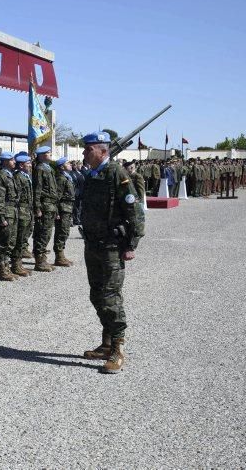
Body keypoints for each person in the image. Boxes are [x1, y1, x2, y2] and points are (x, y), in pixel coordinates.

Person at [80, 132, 144, 374]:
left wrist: (131, 245)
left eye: (89, 150)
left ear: (103, 151)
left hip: (111, 246)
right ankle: (106, 344)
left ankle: (118, 349)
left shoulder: (117, 173)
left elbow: (134, 210)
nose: (85, 154)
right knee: (97, 294)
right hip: (93, 244)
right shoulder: (93, 174)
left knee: (110, 296)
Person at [32, 146, 59, 272]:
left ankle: (43, 258)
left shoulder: (49, 168)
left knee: (47, 233)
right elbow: (37, 189)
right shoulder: (40, 169)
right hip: (45, 205)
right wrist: (37, 207)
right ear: (41, 155)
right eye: (48, 153)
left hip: (51, 205)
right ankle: (39, 261)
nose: (50, 154)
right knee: (42, 233)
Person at [0, 152, 19, 281]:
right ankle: (2, 270)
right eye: (11, 159)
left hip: (12, 211)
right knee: (3, 242)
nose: (14, 161)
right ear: (4, 162)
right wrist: (1, 217)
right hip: (6, 212)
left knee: (11, 241)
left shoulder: (10, 175)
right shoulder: (2, 175)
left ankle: (6, 267)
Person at [11, 153, 34, 278]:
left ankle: (18, 263)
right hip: (21, 212)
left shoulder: (25, 176)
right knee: (19, 239)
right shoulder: (18, 177)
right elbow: (17, 198)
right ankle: (15, 264)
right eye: (28, 163)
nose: (30, 165)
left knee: (23, 238)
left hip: (27, 211)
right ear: (21, 165)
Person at [52, 157, 75, 267]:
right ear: (62, 167)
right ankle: (59, 257)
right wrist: (56, 212)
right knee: (61, 232)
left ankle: (61, 255)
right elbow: (57, 197)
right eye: (67, 163)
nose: (70, 164)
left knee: (65, 232)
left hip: (68, 208)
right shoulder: (61, 179)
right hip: (63, 209)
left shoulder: (67, 177)